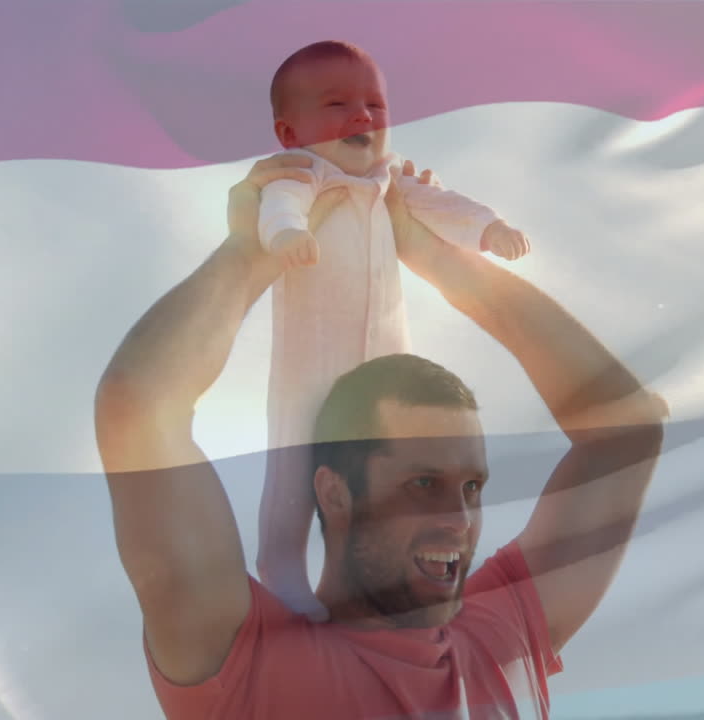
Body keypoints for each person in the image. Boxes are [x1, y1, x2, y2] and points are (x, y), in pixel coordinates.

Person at [95, 153, 668, 718]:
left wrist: (435, 255)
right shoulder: (248, 662)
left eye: (472, 487)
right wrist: (251, 250)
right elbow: (139, 409)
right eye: (423, 483)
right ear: (335, 491)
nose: (460, 519)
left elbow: (626, 429)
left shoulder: (503, 633)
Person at [256, 40, 531, 620]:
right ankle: (281, 567)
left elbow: (441, 203)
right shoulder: (300, 177)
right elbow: (276, 207)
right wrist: (285, 236)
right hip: (312, 361)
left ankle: (404, 571)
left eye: (374, 105)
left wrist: (488, 227)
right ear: (288, 132)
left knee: (398, 468)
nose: (362, 117)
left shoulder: (391, 181)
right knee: (294, 464)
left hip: (384, 359)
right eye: (336, 104)